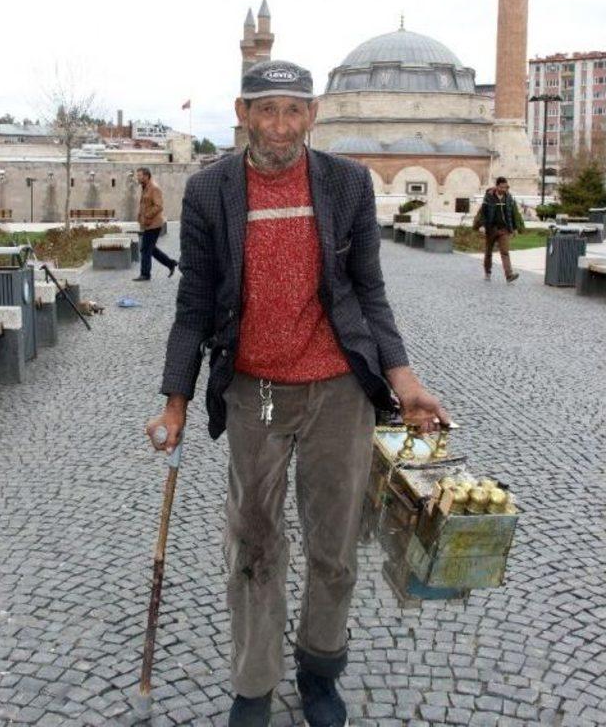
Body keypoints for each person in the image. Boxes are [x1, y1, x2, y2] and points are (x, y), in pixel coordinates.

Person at [146, 60, 449, 727]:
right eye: (265, 109)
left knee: (334, 548)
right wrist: (176, 398)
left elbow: (369, 290)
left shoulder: (344, 186)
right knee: (253, 545)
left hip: (339, 392)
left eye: (292, 110)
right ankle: (253, 685)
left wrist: (403, 378)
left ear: (312, 115)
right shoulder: (209, 191)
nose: (279, 125)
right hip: (254, 391)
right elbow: (194, 306)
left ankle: (320, 666)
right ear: (243, 113)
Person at [473, 176, 525, 283]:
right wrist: (482, 225)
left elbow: (512, 214)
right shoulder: (489, 197)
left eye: (505, 187)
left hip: (504, 229)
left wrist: (514, 228)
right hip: (491, 228)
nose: (503, 190)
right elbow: (483, 212)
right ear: (497, 186)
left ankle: (509, 275)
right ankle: (487, 272)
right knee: (488, 252)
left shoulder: (509, 198)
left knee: (505, 252)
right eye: (501, 187)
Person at [133, 167, 177, 282]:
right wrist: (140, 216)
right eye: (137, 175)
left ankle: (145, 274)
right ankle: (170, 263)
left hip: (154, 224)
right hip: (148, 224)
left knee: (145, 249)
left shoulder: (154, 188)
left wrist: (147, 215)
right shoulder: (145, 188)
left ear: (146, 176)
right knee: (151, 249)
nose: (137, 177)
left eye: (140, 175)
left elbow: (159, 206)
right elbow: (144, 204)